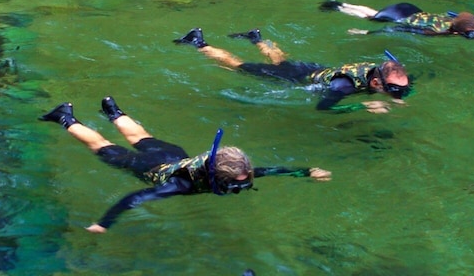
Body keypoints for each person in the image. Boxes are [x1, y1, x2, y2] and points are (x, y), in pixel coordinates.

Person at [37, 98, 332, 233]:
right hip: (152, 165)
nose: (242, 185)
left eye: (244, 180)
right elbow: (135, 198)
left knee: (141, 136)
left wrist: (306, 171)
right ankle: (65, 116)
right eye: (236, 184)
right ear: (217, 174)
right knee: (101, 146)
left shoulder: (232, 169)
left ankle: (113, 110)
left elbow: (270, 170)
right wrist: (104, 224)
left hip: (173, 154)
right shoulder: (181, 184)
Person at [173, 27, 411, 113]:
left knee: (282, 61)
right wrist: (363, 105)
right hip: (300, 78)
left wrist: (396, 95)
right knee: (238, 67)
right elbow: (323, 107)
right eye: (393, 90)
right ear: (377, 84)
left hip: (317, 70)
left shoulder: (380, 73)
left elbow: (399, 83)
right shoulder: (344, 86)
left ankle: (255, 37)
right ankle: (197, 42)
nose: (398, 93)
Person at [319, 0, 474, 39]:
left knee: (374, 13)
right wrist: (366, 32)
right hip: (399, 16)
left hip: (409, 8)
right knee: (370, 18)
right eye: (470, 34)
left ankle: (343, 3)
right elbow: (399, 29)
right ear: (457, 32)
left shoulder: (451, 20)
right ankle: (339, 7)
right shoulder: (436, 31)